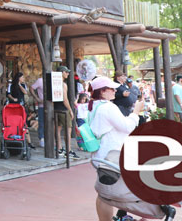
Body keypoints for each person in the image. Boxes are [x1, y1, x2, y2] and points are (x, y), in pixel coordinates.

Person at [88, 76, 144, 221]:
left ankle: (118, 216)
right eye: (111, 89)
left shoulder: (93, 106)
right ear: (103, 91)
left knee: (104, 191)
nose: (115, 91)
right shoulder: (107, 107)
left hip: (101, 155)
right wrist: (136, 112)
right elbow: (127, 127)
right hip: (112, 156)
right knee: (109, 193)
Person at [54, 66, 78, 158]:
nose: (68, 74)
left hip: (56, 108)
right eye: (66, 72)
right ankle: (68, 150)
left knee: (58, 129)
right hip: (63, 109)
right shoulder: (63, 84)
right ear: (62, 73)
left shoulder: (54, 83)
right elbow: (65, 99)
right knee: (68, 130)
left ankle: (59, 148)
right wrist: (70, 110)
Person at [29, 77, 45, 147]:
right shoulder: (40, 80)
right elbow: (31, 88)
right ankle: (41, 138)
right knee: (41, 122)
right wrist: (36, 98)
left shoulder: (54, 79)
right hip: (42, 105)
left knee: (52, 123)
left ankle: (50, 138)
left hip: (53, 105)